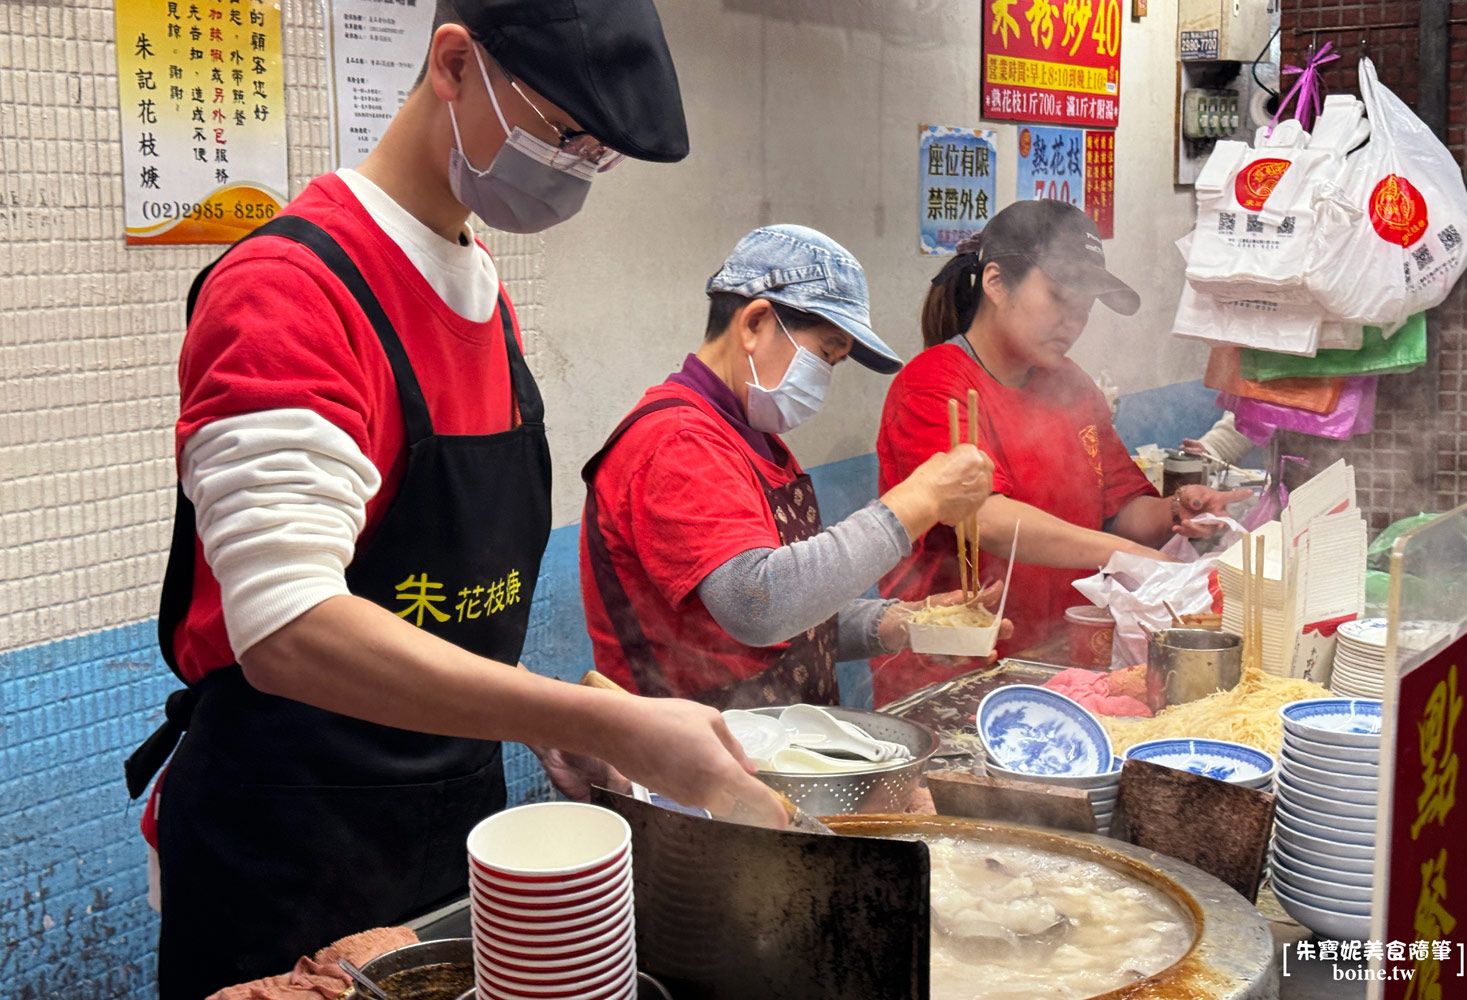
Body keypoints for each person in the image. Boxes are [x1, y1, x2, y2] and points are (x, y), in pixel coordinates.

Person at [122, 2, 786, 997]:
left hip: (449, 828)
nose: (574, 174)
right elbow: (288, 627)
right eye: (564, 134)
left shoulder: (483, 290)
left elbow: (448, 603)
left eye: (597, 157)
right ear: (454, 64)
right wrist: (599, 721)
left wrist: (554, 722)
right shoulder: (287, 290)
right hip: (285, 847)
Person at [580, 225, 1000, 709]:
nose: (823, 379)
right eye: (825, 354)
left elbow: (790, 615)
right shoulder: (677, 441)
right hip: (688, 745)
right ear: (754, 323)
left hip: (768, 739)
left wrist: (900, 623)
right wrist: (918, 502)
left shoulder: (753, 440)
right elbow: (758, 604)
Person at [873, 201, 1249, 706]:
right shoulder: (935, 383)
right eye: (1058, 298)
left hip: (1054, 664)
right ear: (996, 283)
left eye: (1085, 309)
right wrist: (1128, 556)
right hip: (952, 672)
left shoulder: (1070, 384)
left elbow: (1119, 509)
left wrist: (1176, 513)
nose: (1073, 322)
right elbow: (984, 519)